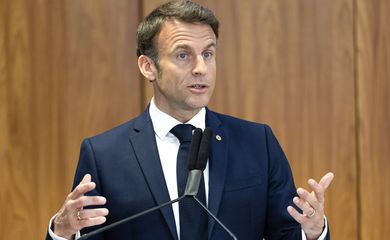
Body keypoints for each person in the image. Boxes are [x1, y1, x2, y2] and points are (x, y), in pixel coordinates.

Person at [47, 1, 334, 239]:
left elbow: (285, 233)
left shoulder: (258, 143)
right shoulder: (104, 156)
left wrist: (312, 232)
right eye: (183, 55)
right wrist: (62, 232)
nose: (201, 68)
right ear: (148, 66)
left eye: (208, 54)